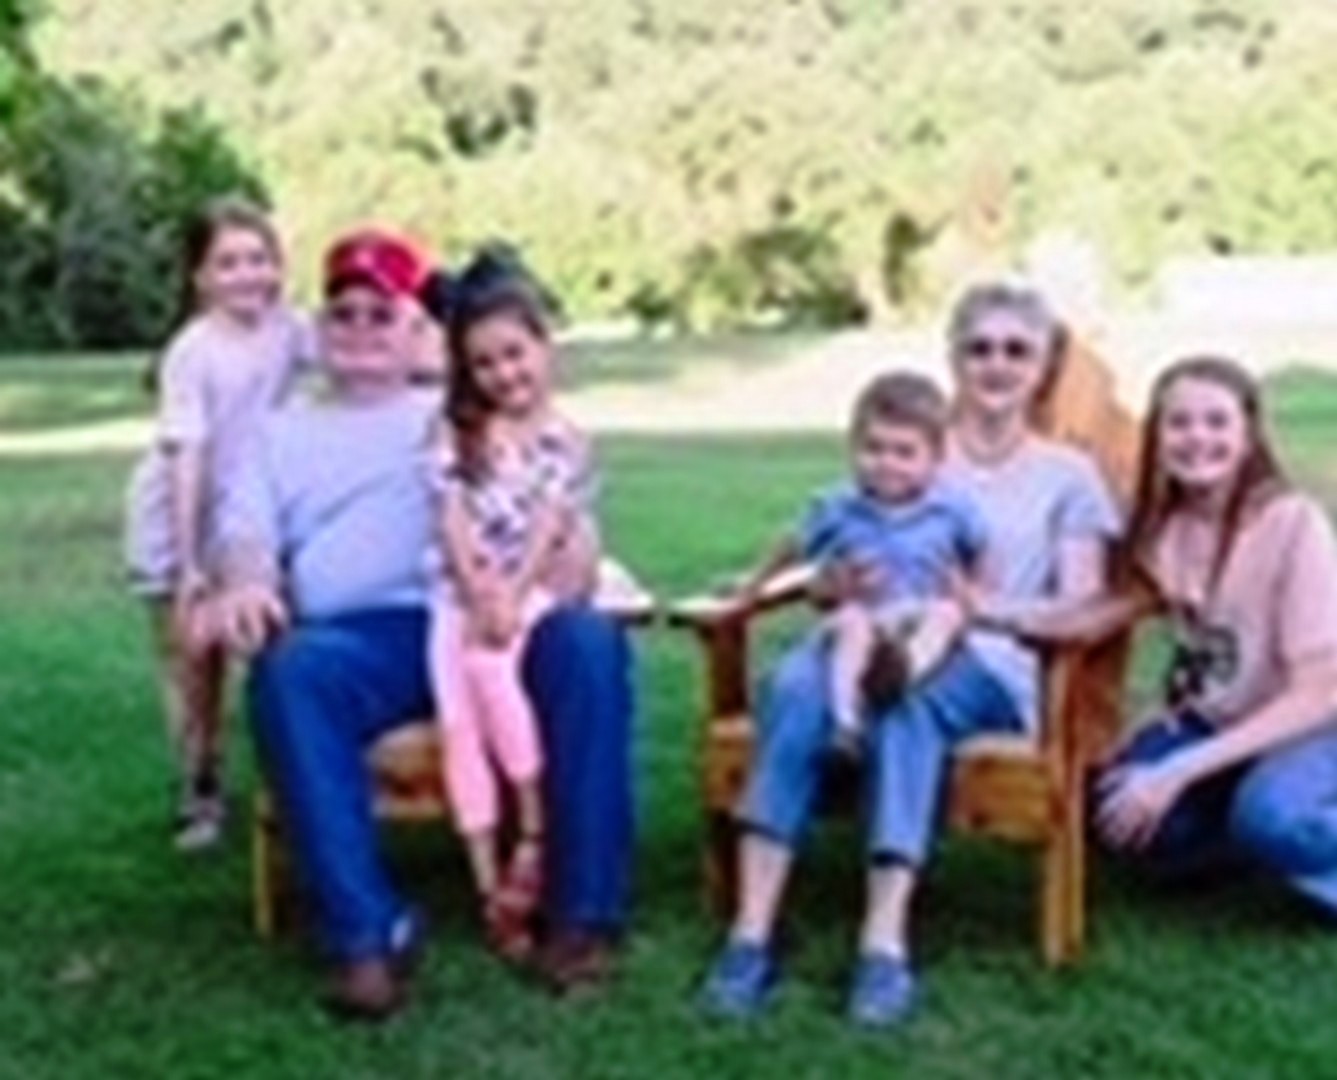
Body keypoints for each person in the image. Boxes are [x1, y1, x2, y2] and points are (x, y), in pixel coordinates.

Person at [212, 228, 634, 1020]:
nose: (361, 328)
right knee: (292, 670)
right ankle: (369, 937)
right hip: (368, 640)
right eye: (343, 312)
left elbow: (562, 515)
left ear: (418, 329)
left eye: (382, 313)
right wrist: (246, 581)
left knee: (587, 644)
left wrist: (559, 554)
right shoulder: (278, 431)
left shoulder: (471, 411)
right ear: (319, 327)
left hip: (493, 616)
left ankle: (580, 918)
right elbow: (244, 535)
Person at [700, 282, 1121, 1028]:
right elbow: (830, 560)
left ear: (1044, 365)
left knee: (908, 698)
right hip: (866, 636)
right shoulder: (905, 445)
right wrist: (828, 585)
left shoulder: (1067, 475)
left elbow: (1081, 606)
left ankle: (882, 940)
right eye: (979, 348)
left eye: (1016, 350)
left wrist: (984, 607)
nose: (996, 365)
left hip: (993, 660)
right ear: (952, 356)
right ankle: (750, 934)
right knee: (795, 686)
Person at [1084, 356, 1337, 910]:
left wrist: (1179, 768)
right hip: (1225, 723)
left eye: (1217, 422)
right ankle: (1255, 840)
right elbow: (1103, 610)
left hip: (1316, 725)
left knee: (1272, 816)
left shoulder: (1293, 524)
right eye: (1179, 423)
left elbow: (1321, 693)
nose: (1197, 438)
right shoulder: (1160, 532)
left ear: (1249, 435)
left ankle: (1274, 824)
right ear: (1157, 436)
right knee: (1114, 812)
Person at [122, 196, 313, 851]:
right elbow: (189, 457)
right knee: (194, 662)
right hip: (178, 517)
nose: (246, 275)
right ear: (200, 277)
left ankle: (287, 781)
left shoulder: (289, 330)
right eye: (227, 263)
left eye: (258, 259)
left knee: (273, 641)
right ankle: (200, 789)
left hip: (247, 517)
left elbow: (363, 348)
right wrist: (188, 567)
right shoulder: (193, 351)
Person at [428, 255, 600, 962]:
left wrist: (510, 596)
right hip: (459, 590)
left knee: (490, 667)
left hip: (529, 590)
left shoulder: (567, 442)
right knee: (459, 723)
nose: (503, 373)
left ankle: (531, 832)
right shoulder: (457, 431)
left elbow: (548, 527)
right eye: (484, 363)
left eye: (514, 353)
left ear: (543, 346)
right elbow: (451, 518)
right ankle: (489, 889)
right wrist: (477, 592)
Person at [732, 371, 985, 756]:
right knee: (853, 624)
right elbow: (793, 546)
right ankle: (845, 723)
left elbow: (977, 554)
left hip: (915, 614)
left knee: (946, 614)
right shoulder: (838, 506)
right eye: (873, 449)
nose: (886, 464)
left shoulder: (951, 510)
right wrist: (753, 585)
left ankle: (902, 673)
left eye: (904, 453)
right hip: (862, 611)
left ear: (936, 459)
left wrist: (969, 593)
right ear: (852, 448)